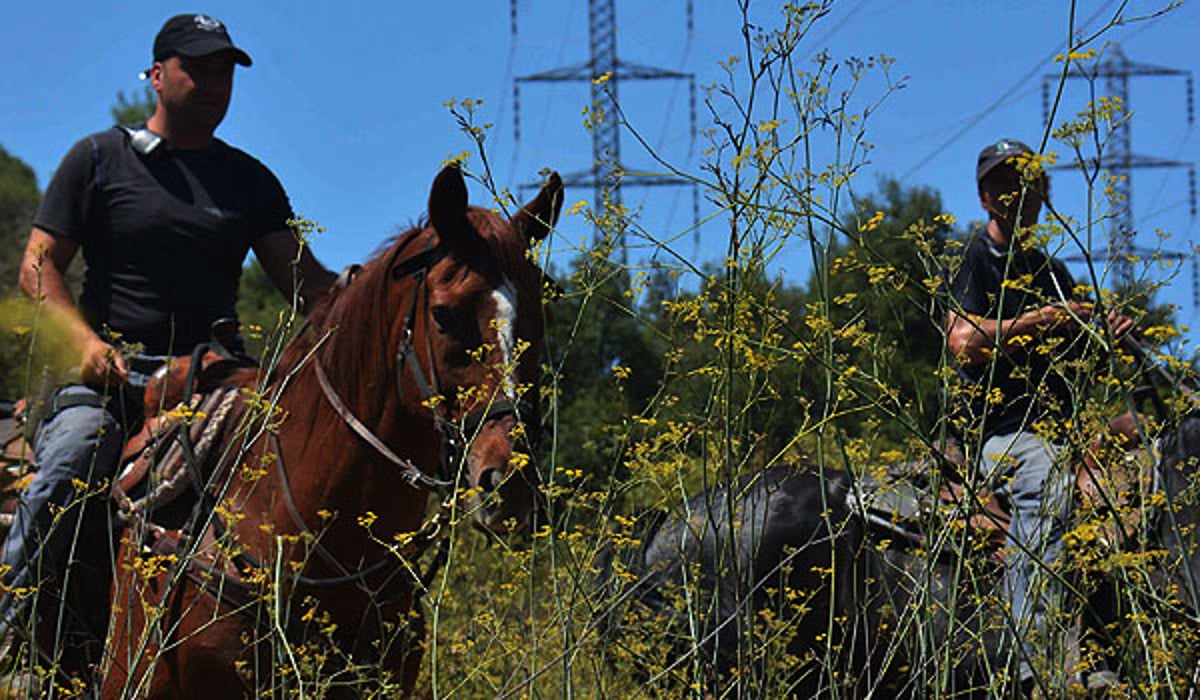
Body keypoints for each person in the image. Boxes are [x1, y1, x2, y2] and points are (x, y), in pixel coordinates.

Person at [0, 12, 335, 668]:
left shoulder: (250, 181)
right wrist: (83, 344)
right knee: (68, 469)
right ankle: (18, 630)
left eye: (224, 74)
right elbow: (38, 266)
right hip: (108, 376)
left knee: (300, 474)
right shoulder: (98, 158)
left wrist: (383, 284)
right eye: (196, 69)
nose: (213, 85)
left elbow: (309, 287)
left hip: (214, 378)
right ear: (156, 76)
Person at [945, 138, 1132, 692]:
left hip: (1061, 427)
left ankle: (1107, 658)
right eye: (1005, 182)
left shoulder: (1054, 271)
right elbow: (962, 340)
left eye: (1029, 181)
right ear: (984, 197)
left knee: (1135, 498)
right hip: (1000, 432)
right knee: (1047, 477)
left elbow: (1085, 368)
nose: (1018, 192)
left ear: (1044, 193)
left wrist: (1112, 339)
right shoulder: (971, 259)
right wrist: (1040, 319)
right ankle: (1039, 665)